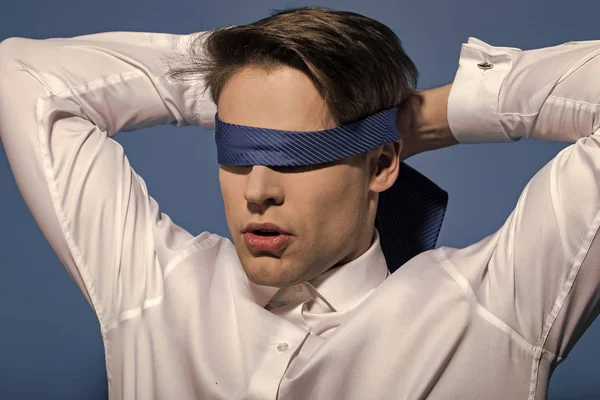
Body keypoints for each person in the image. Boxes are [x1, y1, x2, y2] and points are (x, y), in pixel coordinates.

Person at [0, 6, 598, 400]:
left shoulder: (494, 309)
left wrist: (427, 117)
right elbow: (22, 74)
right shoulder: (152, 288)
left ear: (384, 163)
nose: (257, 190)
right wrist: (233, 76)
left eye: (294, 156)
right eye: (239, 149)